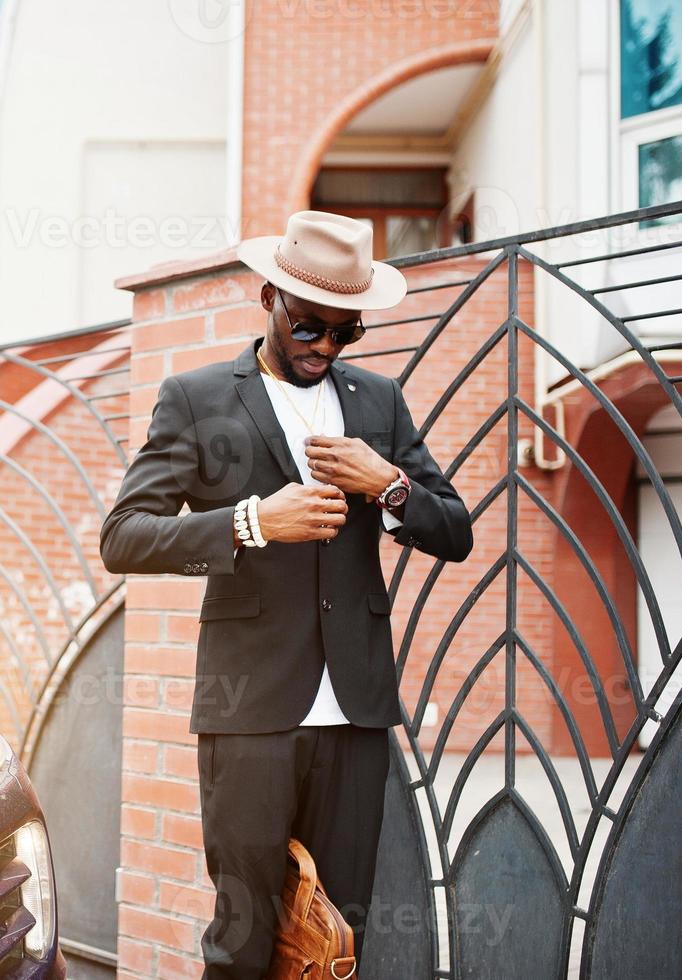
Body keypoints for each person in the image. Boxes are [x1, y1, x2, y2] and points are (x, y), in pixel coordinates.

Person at [99, 210, 473, 976]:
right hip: (251, 711)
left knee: (335, 942)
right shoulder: (197, 398)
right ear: (266, 296)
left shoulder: (378, 403)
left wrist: (389, 485)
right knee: (242, 937)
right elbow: (124, 538)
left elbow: (455, 533)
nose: (326, 349)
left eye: (347, 333)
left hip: (356, 711)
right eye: (310, 329)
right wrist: (247, 522)